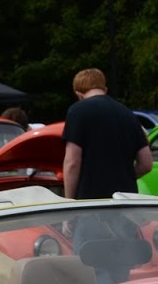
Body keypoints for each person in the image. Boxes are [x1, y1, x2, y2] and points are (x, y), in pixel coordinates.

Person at [61, 68, 151, 200]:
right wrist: (123, 177)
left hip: (91, 202)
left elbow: (72, 163)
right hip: (125, 202)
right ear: (105, 89)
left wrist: (69, 202)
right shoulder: (128, 114)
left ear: (78, 94)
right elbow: (146, 163)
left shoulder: (77, 111)